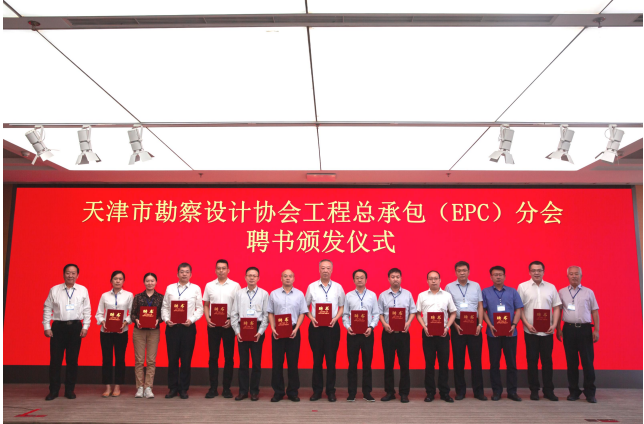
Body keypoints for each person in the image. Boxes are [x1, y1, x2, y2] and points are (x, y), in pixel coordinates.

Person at [43, 264, 91, 400]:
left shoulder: (83, 290)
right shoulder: (54, 290)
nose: (70, 275)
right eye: (68, 273)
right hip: (58, 328)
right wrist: (46, 326)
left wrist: (85, 326)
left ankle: (69, 390)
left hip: (75, 327)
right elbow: (47, 308)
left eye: (73, 273)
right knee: (55, 360)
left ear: (77, 275)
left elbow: (87, 309)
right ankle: (53, 390)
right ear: (63, 274)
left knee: (72, 360)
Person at [518, 261, 562, 401]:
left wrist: (554, 325)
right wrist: (526, 324)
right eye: (533, 270)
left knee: (547, 361)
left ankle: (548, 390)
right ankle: (534, 390)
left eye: (539, 270)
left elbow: (556, 307)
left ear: (543, 271)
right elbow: (519, 308)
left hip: (547, 331)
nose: (536, 273)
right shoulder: (523, 287)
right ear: (529, 272)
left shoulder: (551, 287)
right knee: (532, 360)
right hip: (530, 331)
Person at [556, 266, 600, 403]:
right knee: (571, 362)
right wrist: (558, 329)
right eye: (571, 274)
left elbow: (594, 311)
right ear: (567, 276)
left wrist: (596, 330)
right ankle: (574, 392)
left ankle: (590, 393)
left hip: (585, 330)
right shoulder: (562, 292)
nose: (574, 276)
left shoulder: (588, 292)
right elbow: (558, 311)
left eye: (576, 274)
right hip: (568, 329)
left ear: (581, 276)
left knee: (588, 362)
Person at [444, 261, 486, 401]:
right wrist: (454, 325)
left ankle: (478, 391)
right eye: (459, 270)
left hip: (474, 324)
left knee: (476, 359)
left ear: (469, 271)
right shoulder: (449, 287)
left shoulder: (476, 286)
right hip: (457, 324)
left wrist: (480, 324)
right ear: (455, 272)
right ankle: (460, 391)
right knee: (458, 360)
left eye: (464, 270)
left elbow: (480, 306)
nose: (462, 273)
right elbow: (448, 308)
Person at [161, 262, 204, 399]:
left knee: (186, 359)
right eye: (182, 272)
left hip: (188, 328)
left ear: (191, 274)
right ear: (177, 274)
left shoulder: (196, 288)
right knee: (172, 359)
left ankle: (184, 388)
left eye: (187, 272)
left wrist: (191, 320)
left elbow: (200, 309)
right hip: (172, 328)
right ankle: (172, 388)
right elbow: (165, 307)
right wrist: (167, 319)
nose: (184, 274)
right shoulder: (170, 288)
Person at [305, 259, 346, 402]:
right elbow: (305, 306)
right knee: (317, 360)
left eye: (328, 268)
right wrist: (312, 318)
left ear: (332, 270)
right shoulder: (311, 287)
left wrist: (336, 318)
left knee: (331, 360)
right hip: (316, 328)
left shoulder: (338, 287)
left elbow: (342, 306)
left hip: (332, 328)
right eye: (323, 268)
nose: (325, 270)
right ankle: (317, 391)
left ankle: (330, 391)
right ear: (319, 269)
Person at [481, 266, 524, 401]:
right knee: (494, 363)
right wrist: (490, 325)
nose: (498, 277)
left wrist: (514, 325)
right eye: (495, 275)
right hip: (493, 333)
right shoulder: (485, 292)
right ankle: (497, 391)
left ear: (505, 276)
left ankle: (512, 391)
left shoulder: (512, 291)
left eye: (500, 274)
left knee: (511, 363)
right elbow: (482, 311)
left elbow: (519, 309)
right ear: (491, 277)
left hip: (510, 333)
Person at [267, 269, 308, 402]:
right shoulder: (274, 294)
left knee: (293, 362)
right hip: (278, 331)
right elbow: (270, 312)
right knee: (277, 363)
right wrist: (273, 328)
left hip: (293, 330)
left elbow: (302, 312)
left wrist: (296, 328)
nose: (288, 278)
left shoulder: (300, 294)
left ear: (294, 279)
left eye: (290, 276)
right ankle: (278, 392)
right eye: (285, 276)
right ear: (281, 278)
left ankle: (292, 392)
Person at [416, 270, 457, 403]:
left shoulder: (447, 295)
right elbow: (418, 314)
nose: (433, 281)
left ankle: (445, 392)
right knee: (429, 364)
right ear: (427, 281)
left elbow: (453, 313)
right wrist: (424, 327)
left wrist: (447, 327)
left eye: (436, 278)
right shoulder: (422, 295)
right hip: (428, 333)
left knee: (444, 364)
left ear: (440, 280)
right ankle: (430, 392)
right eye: (431, 278)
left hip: (443, 333)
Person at [378, 268, 417, 403]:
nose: (395, 279)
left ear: (401, 278)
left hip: (403, 333)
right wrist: (384, 324)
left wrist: (408, 323)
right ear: (388, 279)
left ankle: (404, 393)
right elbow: (379, 313)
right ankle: (390, 392)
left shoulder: (408, 294)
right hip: (388, 333)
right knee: (388, 364)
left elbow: (413, 311)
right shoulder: (383, 295)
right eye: (393, 277)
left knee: (404, 364)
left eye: (398, 277)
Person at [203, 259, 240, 399]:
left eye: (224, 268)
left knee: (229, 357)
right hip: (213, 324)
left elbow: (238, 306)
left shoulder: (235, 286)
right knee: (213, 356)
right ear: (215, 270)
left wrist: (232, 321)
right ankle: (213, 388)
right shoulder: (209, 285)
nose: (221, 270)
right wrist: (208, 319)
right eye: (218, 268)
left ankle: (226, 388)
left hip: (228, 324)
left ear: (228, 270)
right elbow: (206, 305)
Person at [230, 267, 269, 401]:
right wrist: (237, 331)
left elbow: (266, 315)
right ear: (245, 277)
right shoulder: (239, 294)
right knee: (243, 363)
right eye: (249, 275)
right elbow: (234, 313)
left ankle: (254, 391)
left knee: (256, 363)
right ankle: (243, 391)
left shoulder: (264, 294)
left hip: (257, 329)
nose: (252, 278)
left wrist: (260, 332)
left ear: (258, 278)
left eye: (254, 276)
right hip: (242, 328)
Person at [343, 269, 379, 402]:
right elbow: (345, 314)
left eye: (362, 277)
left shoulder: (372, 295)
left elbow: (376, 314)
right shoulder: (348, 296)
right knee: (352, 364)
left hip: (367, 334)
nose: (359, 279)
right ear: (353, 280)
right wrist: (348, 327)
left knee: (367, 363)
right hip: (352, 334)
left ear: (366, 280)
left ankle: (367, 392)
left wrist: (371, 327)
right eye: (357, 277)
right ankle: (351, 393)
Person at [95, 270, 133, 397]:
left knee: (120, 358)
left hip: (122, 331)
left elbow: (131, 313)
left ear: (123, 281)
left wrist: (125, 322)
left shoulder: (129, 295)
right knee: (106, 358)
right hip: (106, 331)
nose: (118, 281)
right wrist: (102, 321)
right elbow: (99, 313)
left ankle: (117, 386)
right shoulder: (104, 295)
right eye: (115, 278)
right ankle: (107, 386)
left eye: (120, 279)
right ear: (111, 281)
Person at [130, 272, 164, 399]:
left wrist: (158, 320)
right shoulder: (138, 297)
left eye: (152, 281)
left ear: (156, 282)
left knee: (151, 360)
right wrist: (136, 320)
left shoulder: (161, 297)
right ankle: (140, 387)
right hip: (139, 330)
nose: (150, 283)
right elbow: (132, 314)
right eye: (147, 281)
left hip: (154, 331)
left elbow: (163, 314)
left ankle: (148, 387)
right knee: (139, 360)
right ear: (144, 282)